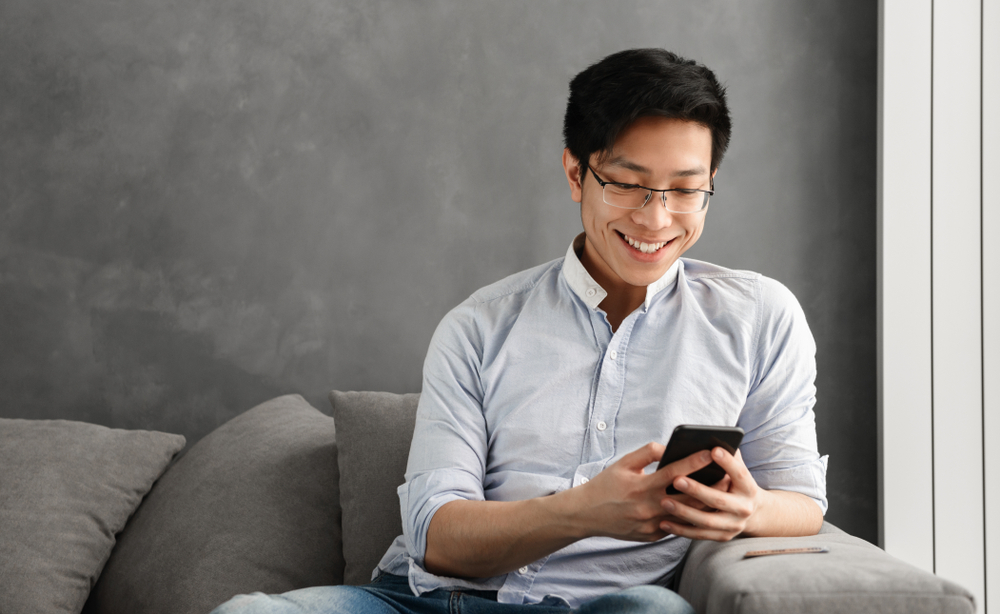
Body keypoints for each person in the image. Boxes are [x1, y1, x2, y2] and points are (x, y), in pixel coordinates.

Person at [212, 48, 828, 614]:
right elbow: (435, 537)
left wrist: (749, 509)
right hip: (424, 603)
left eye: (686, 190)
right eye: (627, 183)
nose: (656, 216)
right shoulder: (479, 326)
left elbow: (803, 501)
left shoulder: (758, 320)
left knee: (658, 613)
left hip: (601, 607)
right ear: (575, 173)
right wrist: (584, 512)